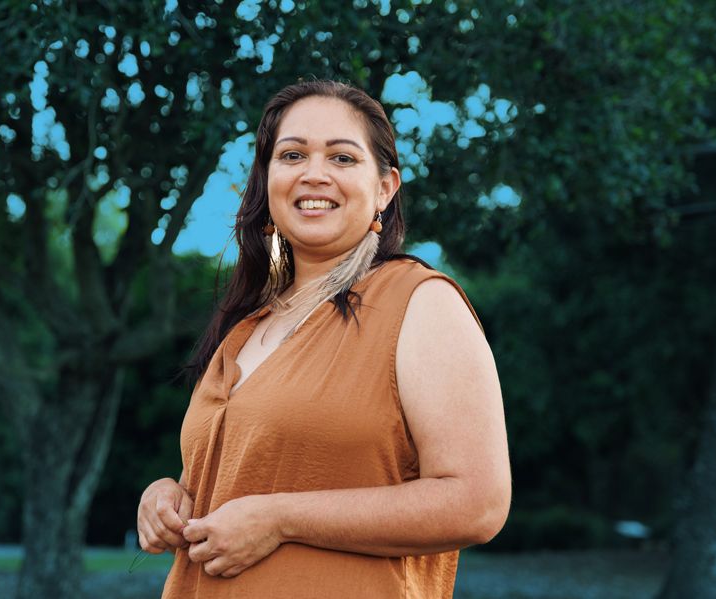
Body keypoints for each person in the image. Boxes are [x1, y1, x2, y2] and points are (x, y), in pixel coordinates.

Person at [137, 79, 511, 598]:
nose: (314, 174)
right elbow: (235, 482)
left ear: (385, 187)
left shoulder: (421, 303)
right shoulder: (245, 330)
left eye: (342, 158)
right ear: (268, 182)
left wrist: (282, 518)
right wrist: (167, 496)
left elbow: (478, 503)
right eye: (292, 155)